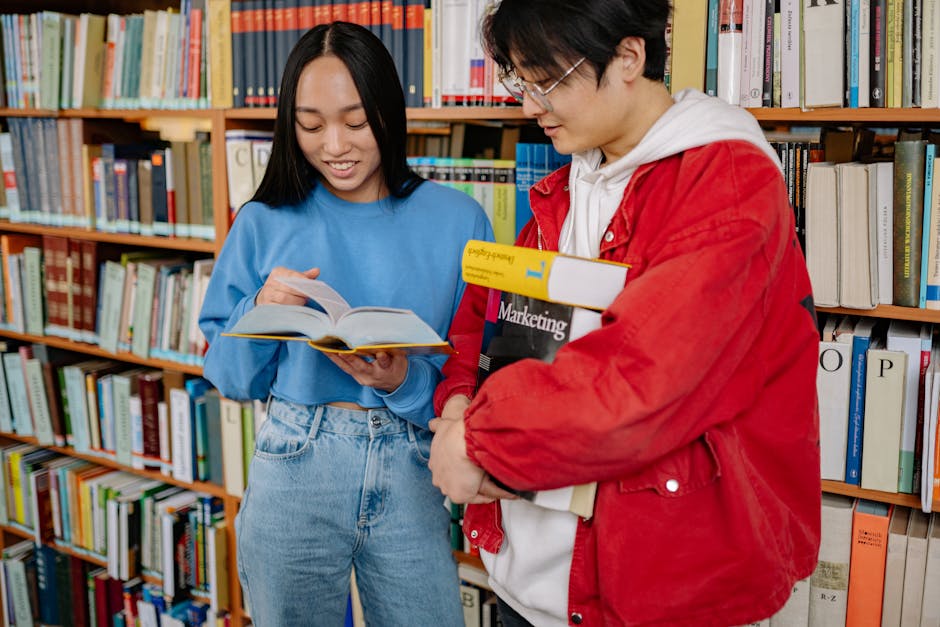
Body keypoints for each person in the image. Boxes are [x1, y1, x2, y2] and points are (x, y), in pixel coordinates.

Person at [428, 1, 821, 625]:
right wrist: (455, 402)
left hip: (653, 595)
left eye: (547, 81)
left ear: (629, 58)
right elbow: (487, 313)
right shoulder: (575, 181)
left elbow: (638, 381)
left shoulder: (729, 185)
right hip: (525, 587)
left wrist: (475, 439)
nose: (531, 107)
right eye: (519, 82)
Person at [199, 21, 491, 626]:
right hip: (296, 458)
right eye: (311, 125)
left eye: (356, 122)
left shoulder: (459, 220)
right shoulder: (263, 220)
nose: (334, 145)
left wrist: (401, 381)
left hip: (414, 462)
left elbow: (478, 374)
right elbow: (229, 378)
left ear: (388, 111)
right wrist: (264, 308)